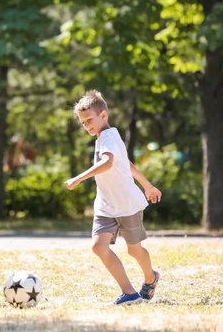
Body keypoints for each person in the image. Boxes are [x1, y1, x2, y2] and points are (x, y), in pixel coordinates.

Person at [65, 90, 162, 305]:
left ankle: (151, 277)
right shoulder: (102, 139)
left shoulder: (109, 136)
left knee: (134, 250)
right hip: (106, 205)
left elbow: (108, 163)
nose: (86, 125)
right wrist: (148, 185)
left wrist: (79, 178)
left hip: (126, 204)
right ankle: (129, 293)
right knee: (98, 246)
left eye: (89, 119)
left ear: (103, 116)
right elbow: (125, 164)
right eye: (83, 123)